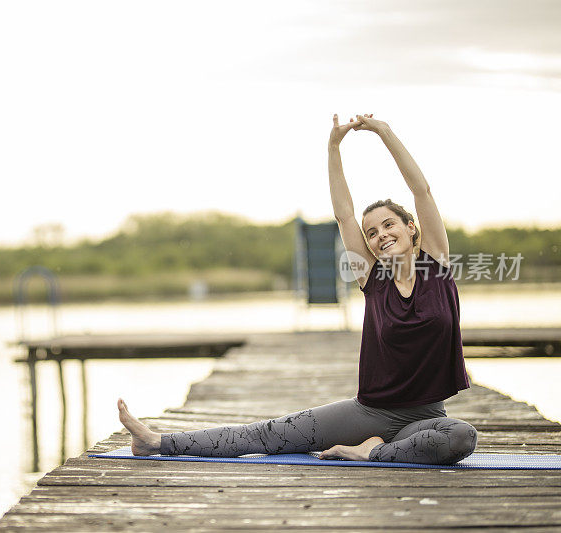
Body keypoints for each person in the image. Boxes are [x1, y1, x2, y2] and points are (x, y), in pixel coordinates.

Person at [116, 114, 478, 465]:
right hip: (370, 412)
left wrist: (384, 132)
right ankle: (155, 442)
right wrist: (333, 146)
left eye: (389, 224)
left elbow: (422, 190)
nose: (381, 234)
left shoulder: (437, 265)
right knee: (268, 434)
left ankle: (371, 451)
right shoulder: (372, 278)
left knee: (461, 437)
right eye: (372, 232)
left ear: (412, 228)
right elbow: (344, 214)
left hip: (427, 416)